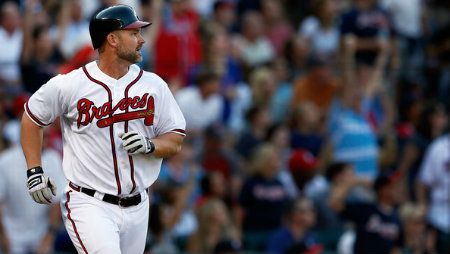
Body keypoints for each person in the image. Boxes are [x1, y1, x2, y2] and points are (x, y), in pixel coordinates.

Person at [20, 5, 186, 254]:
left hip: (139, 204)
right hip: (89, 203)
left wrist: (152, 145)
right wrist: (34, 170)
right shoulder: (70, 84)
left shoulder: (154, 85)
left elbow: (176, 139)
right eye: (133, 33)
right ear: (112, 39)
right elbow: (32, 118)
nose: (141, 40)